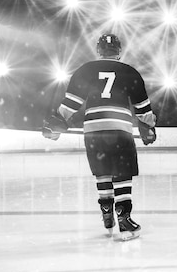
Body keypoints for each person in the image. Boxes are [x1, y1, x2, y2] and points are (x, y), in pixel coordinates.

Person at [42, 33, 156, 241]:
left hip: (93, 130)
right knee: (122, 171)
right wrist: (149, 126)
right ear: (119, 51)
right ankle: (124, 218)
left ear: (99, 50)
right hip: (119, 128)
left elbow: (70, 104)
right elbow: (143, 110)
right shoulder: (130, 72)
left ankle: (106, 211)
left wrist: (57, 123)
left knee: (102, 171)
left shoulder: (85, 70)